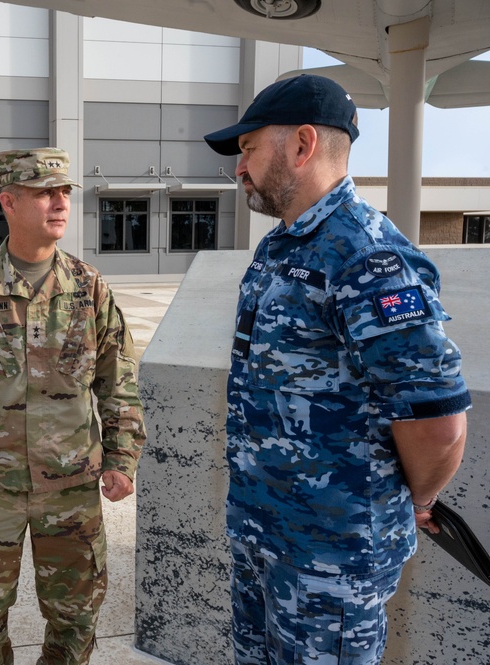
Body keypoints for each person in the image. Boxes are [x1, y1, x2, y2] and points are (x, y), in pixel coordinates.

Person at [203, 74, 470, 664]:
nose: (239, 167)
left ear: (301, 145)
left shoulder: (367, 256)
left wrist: (417, 498)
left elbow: (437, 421)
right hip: (264, 535)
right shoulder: (282, 247)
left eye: (248, 148)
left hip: (332, 559)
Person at [0, 147, 146, 664]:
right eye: (44, 193)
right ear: (9, 203)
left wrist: (122, 454)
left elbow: (118, 379)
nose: (59, 203)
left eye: (64, 192)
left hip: (71, 490)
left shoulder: (89, 289)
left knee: (76, 617)